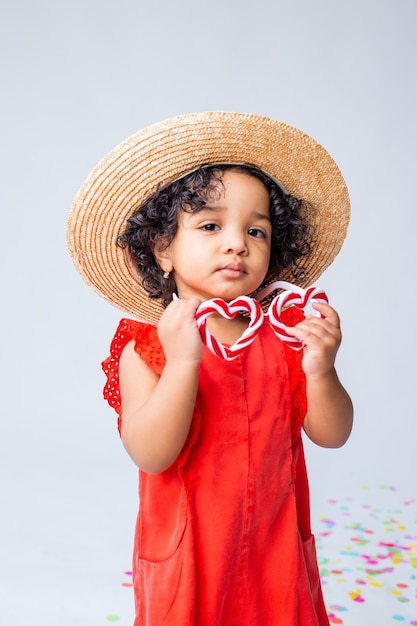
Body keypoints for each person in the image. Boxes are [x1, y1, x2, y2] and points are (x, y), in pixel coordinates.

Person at [67, 112, 353, 626]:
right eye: (210, 225)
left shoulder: (284, 337)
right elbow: (152, 454)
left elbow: (331, 435)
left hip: (274, 546)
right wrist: (183, 362)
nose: (237, 242)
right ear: (162, 250)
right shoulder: (146, 346)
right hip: (191, 553)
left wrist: (322, 370)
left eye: (257, 231)